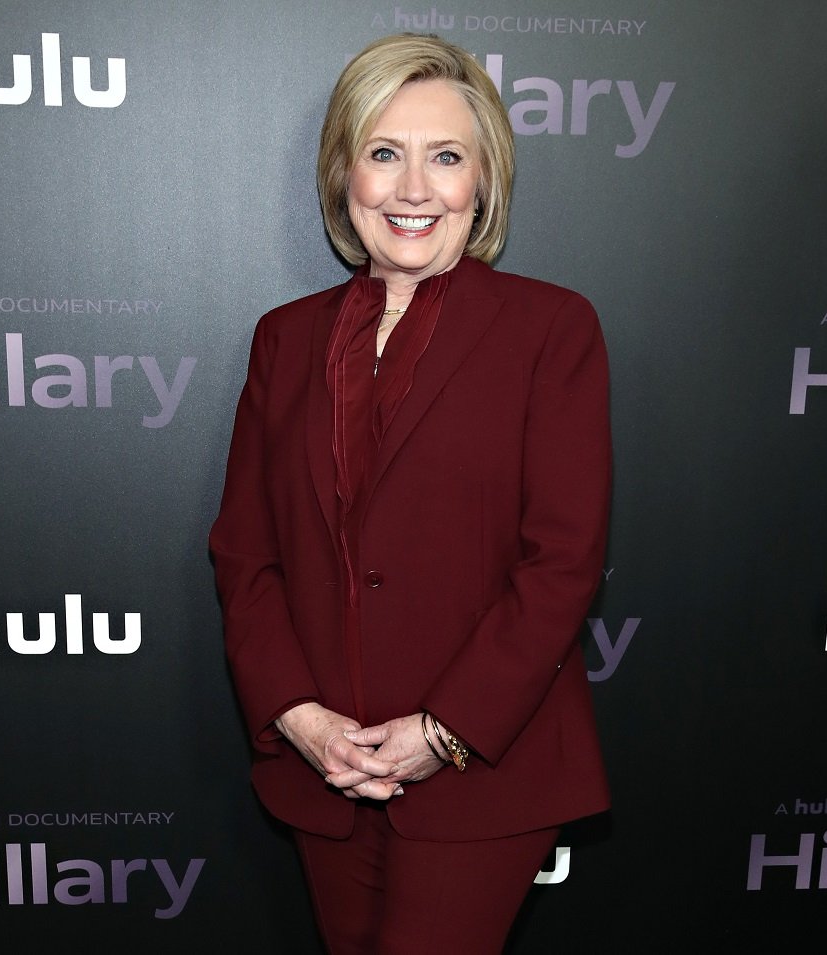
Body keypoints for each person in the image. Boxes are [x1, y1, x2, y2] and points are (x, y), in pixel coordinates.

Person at [208, 32, 611, 954]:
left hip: (482, 771)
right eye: (384, 153)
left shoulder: (552, 330)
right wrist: (300, 718)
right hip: (328, 775)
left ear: (485, 180)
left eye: (447, 157)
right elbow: (246, 550)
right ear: (344, 174)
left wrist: (443, 729)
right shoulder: (284, 339)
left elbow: (564, 560)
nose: (414, 188)